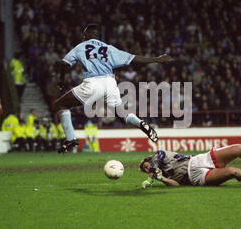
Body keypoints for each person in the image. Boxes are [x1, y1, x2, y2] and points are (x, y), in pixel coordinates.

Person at [54, 23, 173, 153]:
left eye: (84, 33)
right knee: (121, 115)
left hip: (93, 82)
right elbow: (133, 58)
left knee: (60, 105)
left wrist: (61, 79)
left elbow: (64, 63)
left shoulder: (80, 47)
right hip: (110, 83)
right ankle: (140, 123)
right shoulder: (109, 48)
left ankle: (71, 139)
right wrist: (157, 59)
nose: (83, 36)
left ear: (88, 34)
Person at [139, 145, 241, 188]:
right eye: (145, 169)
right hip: (196, 177)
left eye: (146, 166)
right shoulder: (159, 173)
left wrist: (150, 178)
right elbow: (176, 185)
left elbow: (156, 159)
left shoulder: (159, 156)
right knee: (235, 172)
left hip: (197, 160)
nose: (148, 169)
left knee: (239, 149)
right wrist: (161, 179)